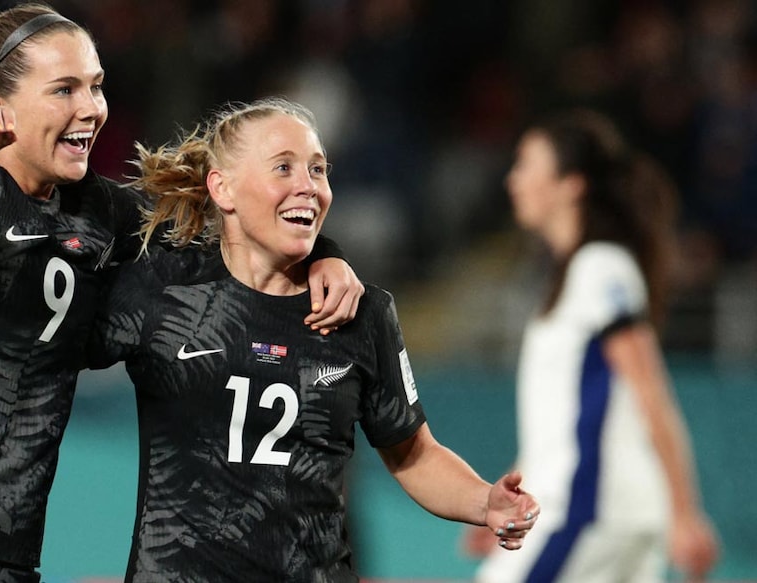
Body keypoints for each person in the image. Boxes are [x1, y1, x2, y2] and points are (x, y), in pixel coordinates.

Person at [0, 4, 363, 583]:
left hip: (2, 562)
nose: (90, 108)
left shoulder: (101, 213)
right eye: (64, 89)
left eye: (96, 87)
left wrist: (325, 252)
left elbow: (239, 230)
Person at [87, 97, 540, 580]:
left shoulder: (362, 313)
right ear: (222, 188)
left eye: (318, 170)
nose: (308, 187)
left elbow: (414, 454)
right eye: (283, 167)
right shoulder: (162, 292)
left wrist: (482, 499)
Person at [462, 110, 720, 582]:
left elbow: (650, 392)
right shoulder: (584, 273)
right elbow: (561, 426)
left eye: (525, 164)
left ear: (570, 184)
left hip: (589, 512)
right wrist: (510, 505)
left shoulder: (600, 267)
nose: (512, 180)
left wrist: (686, 512)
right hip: (612, 515)